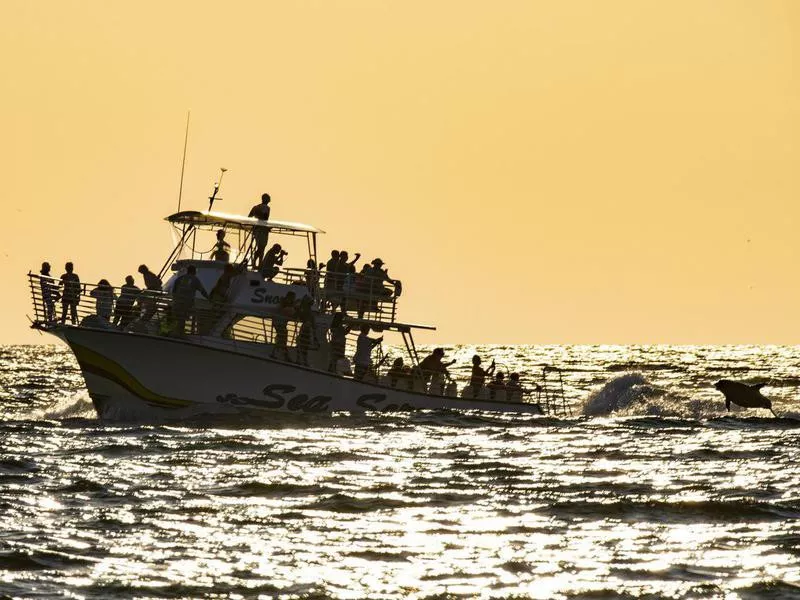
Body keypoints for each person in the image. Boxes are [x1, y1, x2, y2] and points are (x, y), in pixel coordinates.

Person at [170, 265, 209, 336]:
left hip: (177, 301)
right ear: (194, 271)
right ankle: (179, 333)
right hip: (187, 302)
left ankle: (178, 332)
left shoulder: (180, 278)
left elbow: (174, 290)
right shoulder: (195, 279)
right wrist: (209, 299)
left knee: (179, 318)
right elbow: (202, 291)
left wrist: (175, 299)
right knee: (183, 318)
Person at [272, 290, 297, 360]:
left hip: (280, 323)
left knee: (282, 337)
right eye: (293, 298)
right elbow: (290, 313)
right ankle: (283, 354)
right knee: (282, 337)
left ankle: (278, 353)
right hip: (279, 323)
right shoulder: (284, 304)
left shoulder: (284, 304)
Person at [248, 193, 271, 268]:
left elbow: (249, 217)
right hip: (262, 230)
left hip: (256, 229)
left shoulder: (255, 207)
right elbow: (265, 218)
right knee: (261, 247)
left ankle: (257, 262)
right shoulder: (266, 208)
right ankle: (258, 263)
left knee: (260, 247)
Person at [295, 295, 317, 366]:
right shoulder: (306, 310)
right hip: (306, 329)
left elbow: (312, 323)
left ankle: (301, 360)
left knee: (304, 346)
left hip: (306, 329)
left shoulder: (306, 310)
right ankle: (301, 360)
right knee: (302, 345)